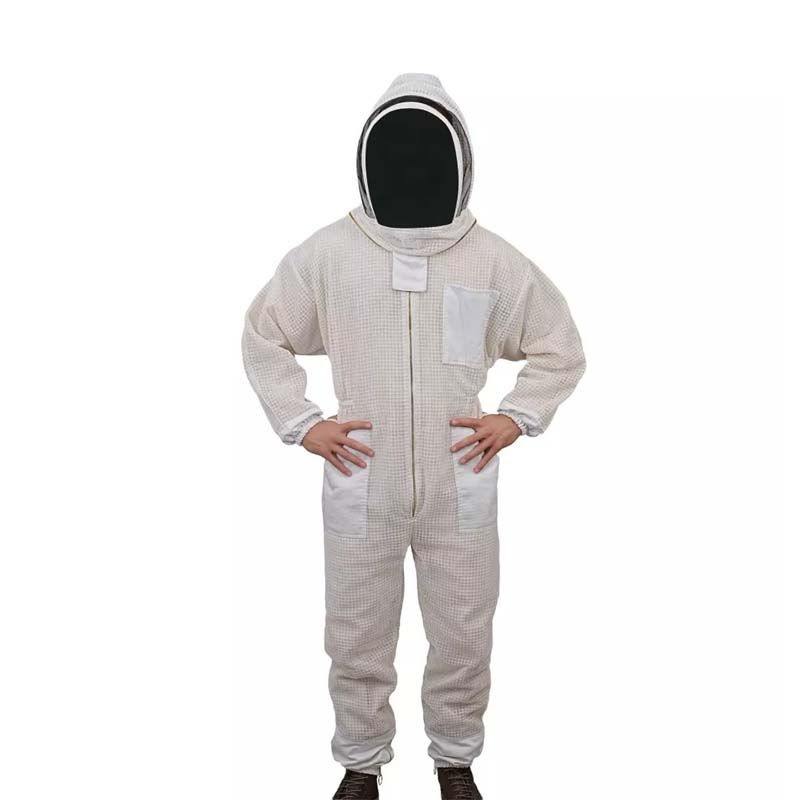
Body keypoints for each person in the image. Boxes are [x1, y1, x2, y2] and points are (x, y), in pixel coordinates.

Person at [243, 73, 585, 800]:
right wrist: (303, 423)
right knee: (355, 630)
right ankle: (360, 765)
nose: (412, 165)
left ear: (459, 160)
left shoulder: (492, 260)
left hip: (459, 475)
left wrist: (516, 416)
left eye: (427, 151)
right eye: (395, 150)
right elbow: (264, 334)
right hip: (361, 473)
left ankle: (455, 760)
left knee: (463, 629)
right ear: (368, 160)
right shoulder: (328, 256)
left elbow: (559, 345)